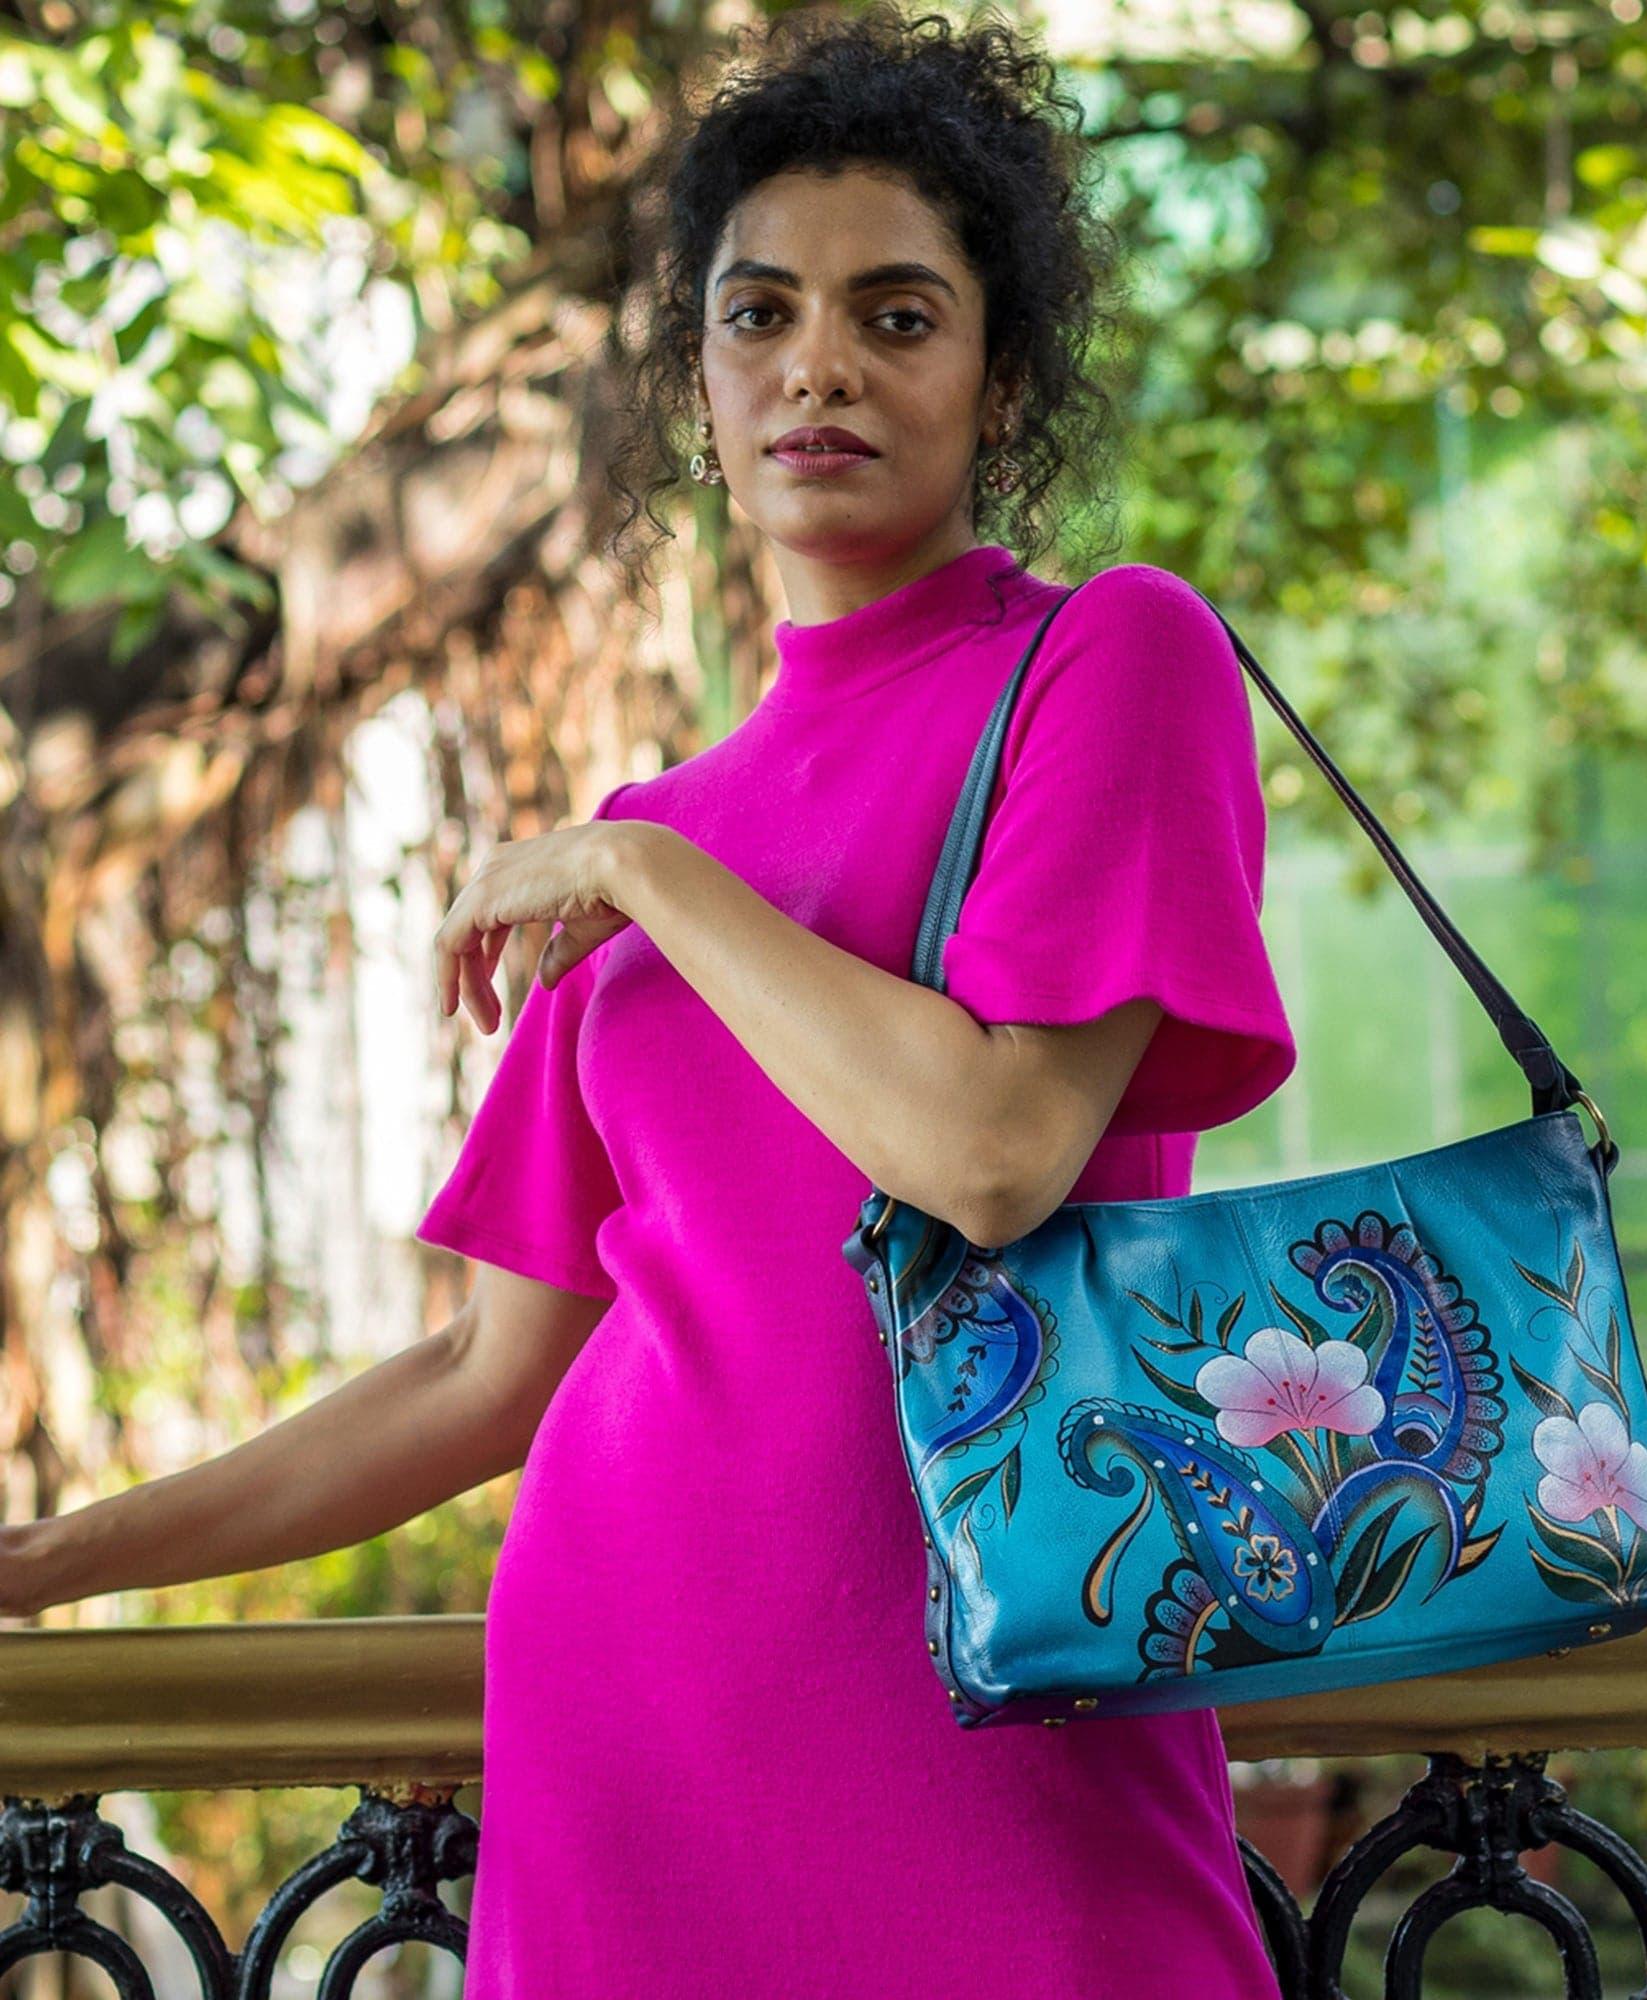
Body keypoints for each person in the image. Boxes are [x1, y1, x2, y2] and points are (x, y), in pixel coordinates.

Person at [17, 9, 1299, 1994]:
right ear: (700, 379)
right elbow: (480, 1379)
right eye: (757, 313)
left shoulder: (1105, 662)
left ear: (1000, 374)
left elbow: (991, 1152)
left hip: (1000, 1773)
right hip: (621, 1766)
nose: (817, 367)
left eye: (895, 316)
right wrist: (50, 1564)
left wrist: (642, 881)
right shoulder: (652, 828)